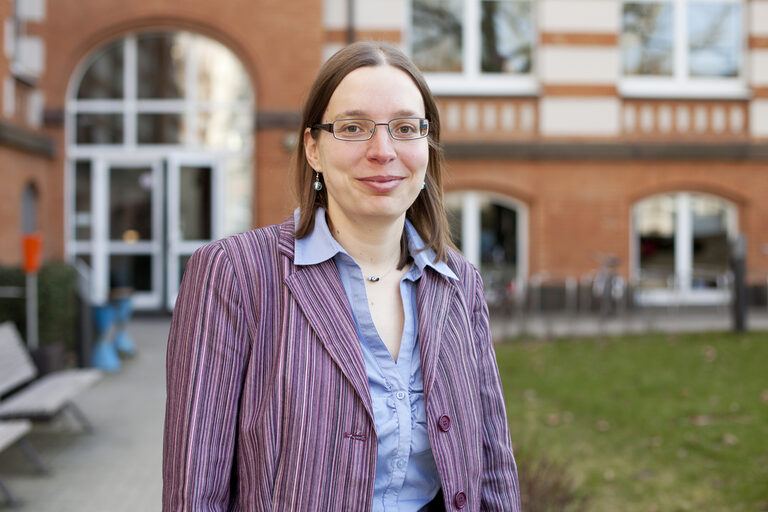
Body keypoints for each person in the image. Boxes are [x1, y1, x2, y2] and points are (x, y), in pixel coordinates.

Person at [163, 41, 521, 511]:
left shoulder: (457, 282)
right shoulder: (235, 274)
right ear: (313, 147)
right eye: (353, 127)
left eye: (405, 128)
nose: (383, 150)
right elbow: (194, 488)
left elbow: (493, 468)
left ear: (427, 146)